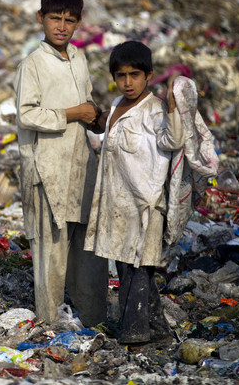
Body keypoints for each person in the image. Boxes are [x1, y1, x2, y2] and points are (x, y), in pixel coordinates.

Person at [13, 0, 108, 327]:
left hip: (80, 166)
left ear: (79, 23)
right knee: (50, 252)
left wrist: (96, 118)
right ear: (41, 18)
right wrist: (73, 113)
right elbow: (26, 114)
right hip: (45, 167)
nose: (62, 26)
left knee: (88, 249)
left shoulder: (79, 59)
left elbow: (86, 109)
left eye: (69, 20)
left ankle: (95, 319)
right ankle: (51, 324)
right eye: (55, 18)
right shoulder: (33, 64)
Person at [84, 40, 185, 345]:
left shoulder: (154, 110)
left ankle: (135, 334)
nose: (128, 82)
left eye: (135, 75)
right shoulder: (116, 106)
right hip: (117, 202)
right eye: (121, 76)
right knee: (128, 268)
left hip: (145, 204)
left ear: (148, 75)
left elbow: (173, 141)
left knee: (138, 270)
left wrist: (171, 108)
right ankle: (157, 330)